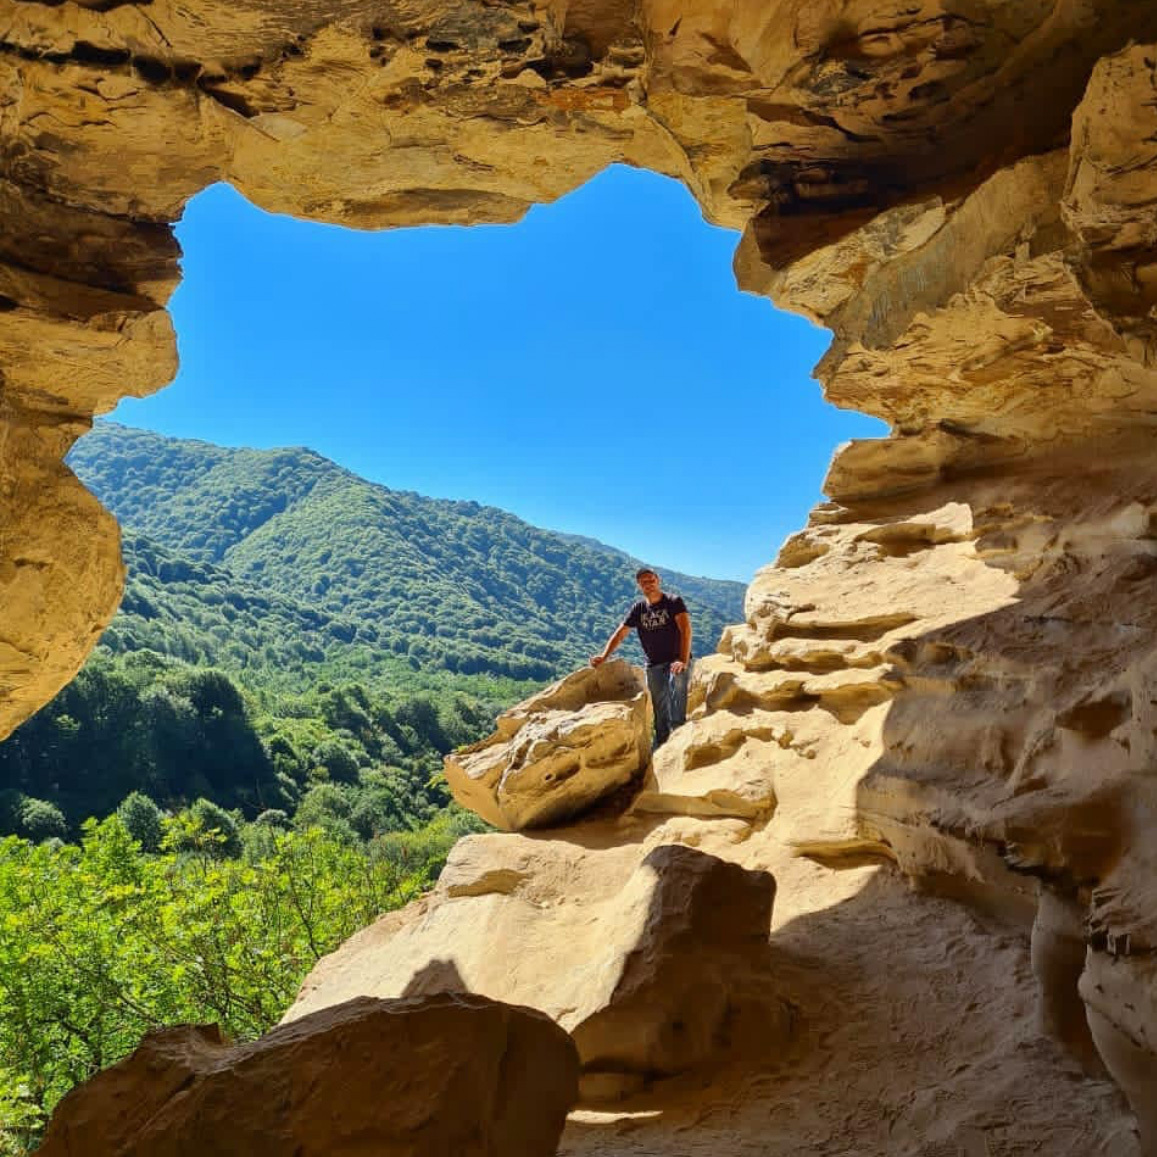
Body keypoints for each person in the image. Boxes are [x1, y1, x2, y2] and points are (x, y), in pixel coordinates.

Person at [591, 568, 692, 749]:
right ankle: (661, 743)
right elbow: (621, 633)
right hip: (653, 664)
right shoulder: (639, 609)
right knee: (659, 706)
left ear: (658, 580)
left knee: (678, 683)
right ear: (640, 586)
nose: (649, 584)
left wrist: (683, 660)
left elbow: (686, 630)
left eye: (651, 580)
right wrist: (604, 656)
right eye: (644, 582)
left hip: (676, 660)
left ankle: (679, 733)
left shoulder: (673, 602)